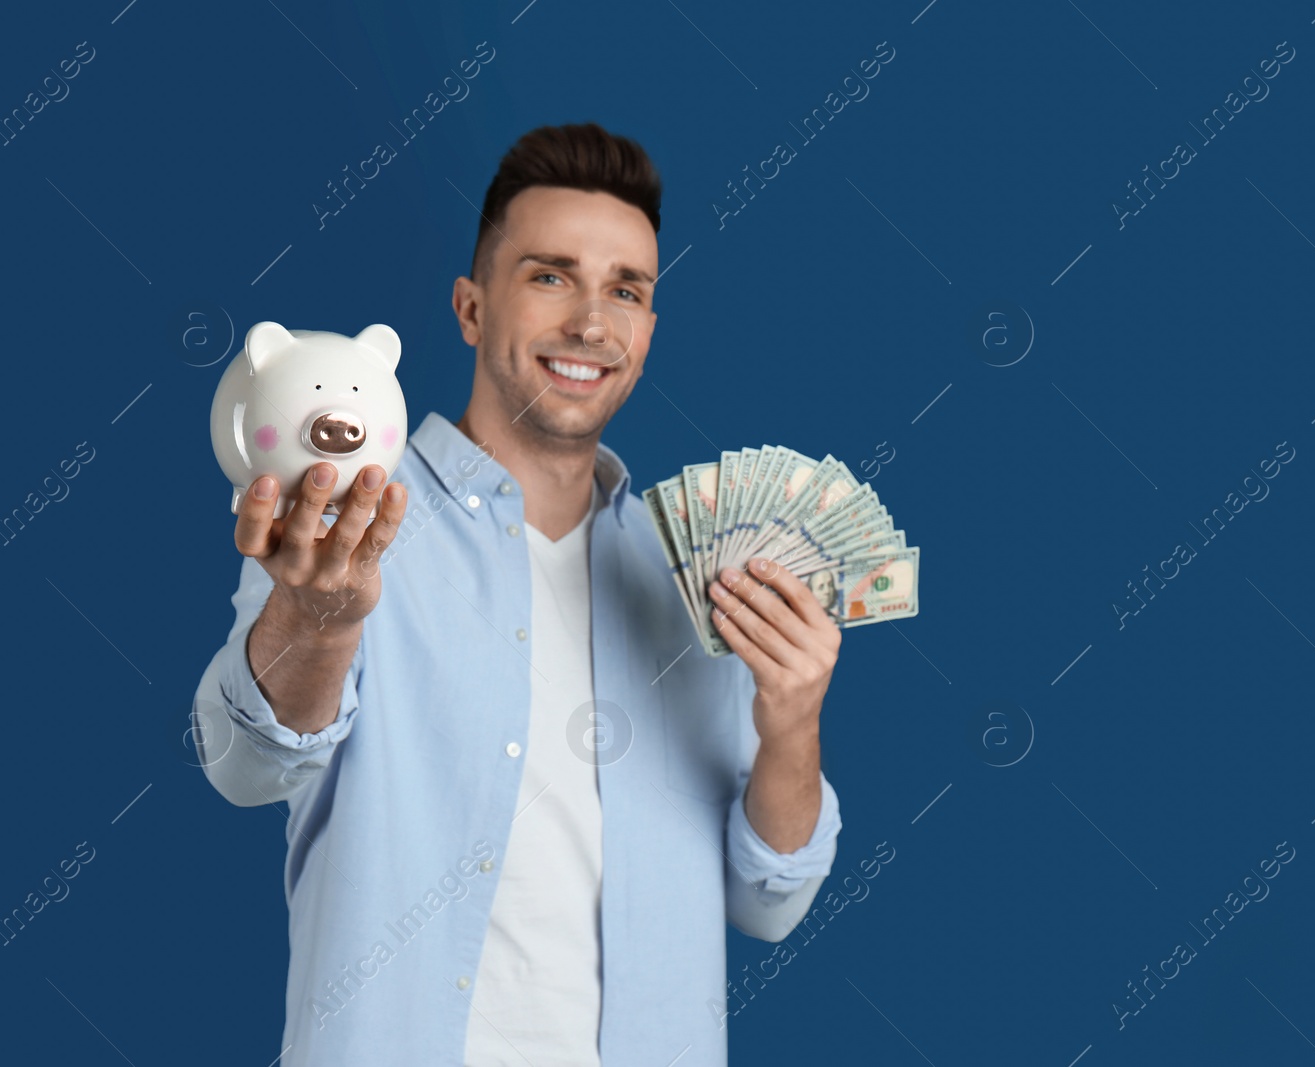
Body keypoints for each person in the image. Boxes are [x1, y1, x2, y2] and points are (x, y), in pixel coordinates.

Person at [190, 122, 844, 1067]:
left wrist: (793, 725)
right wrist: (318, 621)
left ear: (649, 331)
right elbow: (243, 767)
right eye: (550, 275)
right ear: (470, 307)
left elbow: (768, 902)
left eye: (626, 290)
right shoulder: (345, 524)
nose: (590, 321)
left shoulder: (698, 575)